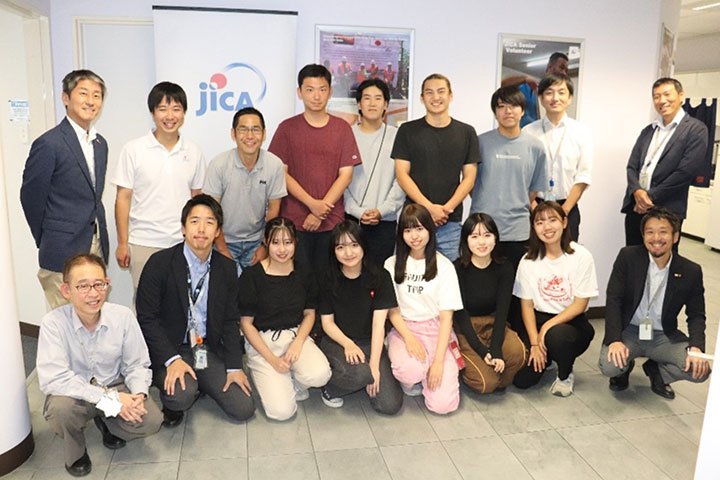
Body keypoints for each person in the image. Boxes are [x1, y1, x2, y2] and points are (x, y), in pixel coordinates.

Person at [37, 254, 162, 477]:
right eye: (83, 286)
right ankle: (76, 451)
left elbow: (138, 364)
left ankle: (106, 420)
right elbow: (55, 378)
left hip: (114, 385)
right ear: (67, 291)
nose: (93, 294)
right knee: (60, 411)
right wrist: (109, 400)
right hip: (75, 392)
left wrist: (139, 395)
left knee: (152, 420)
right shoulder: (53, 323)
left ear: (107, 284)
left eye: (98, 284)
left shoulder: (123, 316)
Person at [136, 194, 255, 426]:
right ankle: (183, 384)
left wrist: (234, 367)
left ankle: (202, 379)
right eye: (194, 221)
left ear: (218, 231)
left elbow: (231, 320)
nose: (201, 229)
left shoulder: (227, 269)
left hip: (206, 348)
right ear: (183, 228)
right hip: (172, 348)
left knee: (243, 408)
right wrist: (171, 359)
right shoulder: (159, 264)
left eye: (209, 222)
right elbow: (147, 319)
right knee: (180, 397)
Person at [21, 70, 110, 310]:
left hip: (95, 243)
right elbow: (31, 197)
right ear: (65, 98)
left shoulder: (100, 144)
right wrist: (48, 236)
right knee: (65, 323)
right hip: (61, 249)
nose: (91, 101)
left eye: (97, 95)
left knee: (92, 315)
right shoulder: (49, 143)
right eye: (83, 93)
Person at [599, 207, 710, 398]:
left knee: (700, 371)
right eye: (650, 232)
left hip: (662, 335)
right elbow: (614, 300)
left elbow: (696, 315)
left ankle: (657, 372)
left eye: (663, 231)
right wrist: (615, 340)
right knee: (610, 366)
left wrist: (696, 347)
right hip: (630, 331)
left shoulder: (691, 270)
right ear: (643, 236)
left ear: (675, 236)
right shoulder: (628, 257)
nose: (656, 238)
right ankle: (624, 368)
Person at [268, 64, 361, 274]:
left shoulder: (342, 128)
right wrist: (312, 205)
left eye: (322, 89)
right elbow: (281, 173)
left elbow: (346, 175)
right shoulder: (286, 128)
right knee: (297, 280)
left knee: (328, 282)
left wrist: (320, 212)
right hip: (294, 221)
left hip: (332, 222)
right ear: (300, 93)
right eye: (310, 89)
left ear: (330, 91)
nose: (316, 96)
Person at [113, 82, 205, 291]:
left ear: (184, 113)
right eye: (162, 109)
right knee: (147, 305)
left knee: (181, 303)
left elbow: (196, 197)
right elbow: (123, 198)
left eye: (176, 109)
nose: (169, 116)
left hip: (183, 242)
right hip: (144, 242)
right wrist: (122, 243)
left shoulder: (194, 150)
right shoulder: (133, 149)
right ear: (153, 112)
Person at [239, 217, 332, 420]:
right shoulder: (251, 275)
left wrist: (298, 343)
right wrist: (272, 360)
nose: (282, 249)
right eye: (276, 242)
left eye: (287, 242)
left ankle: (289, 379)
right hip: (262, 342)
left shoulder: (304, 272)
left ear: (295, 242)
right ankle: (267, 374)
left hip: (294, 335)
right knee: (281, 413)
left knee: (320, 374)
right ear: (265, 242)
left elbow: (309, 313)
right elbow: (246, 324)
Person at [384, 204, 463, 414]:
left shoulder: (444, 267)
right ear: (401, 234)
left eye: (419, 228)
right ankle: (414, 375)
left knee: (443, 406)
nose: (414, 236)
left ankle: (433, 370)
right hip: (404, 330)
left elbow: (447, 318)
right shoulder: (391, 265)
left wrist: (437, 362)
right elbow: (392, 310)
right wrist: (409, 338)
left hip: (437, 331)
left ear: (430, 229)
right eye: (408, 230)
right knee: (409, 372)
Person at [512, 201, 597, 397]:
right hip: (537, 320)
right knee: (522, 381)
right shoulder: (528, 261)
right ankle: (547, 357)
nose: (547, 227)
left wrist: (546, 328)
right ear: (534, 227)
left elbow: (579, 305)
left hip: (571, 323)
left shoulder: (581, 256)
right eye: (540, 222)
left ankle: (565, 375)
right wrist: (535, 343)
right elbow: (526, 305)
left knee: (556, 337)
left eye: (553, 220)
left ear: (565, 222)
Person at [392, 73, 480, 261]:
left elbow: (469, 178)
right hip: (413, 221)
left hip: (450, 221)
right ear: (422, 98)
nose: (435, 97)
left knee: (448, 279)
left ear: (450, 95)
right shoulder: (407, 131)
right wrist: (429, 208)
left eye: (441, 91)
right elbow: (401, 175)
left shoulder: (466, 132)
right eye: (429, 92)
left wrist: (446, 209)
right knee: (407, 277)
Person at [318, 221, 403, 413]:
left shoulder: (380, 276)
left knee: (390, 405)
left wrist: (374, 364)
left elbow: (378, 325)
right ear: (334, 251)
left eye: (354, 245)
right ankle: (330, 389)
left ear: (364, 245)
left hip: (370, 342)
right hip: (338, 341)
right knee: (361, 375)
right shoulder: (327, 278)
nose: (348, 253)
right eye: (341, 247)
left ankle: (362, 376)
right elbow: (327, 323)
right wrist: (348, 344)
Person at [622, 77, 708, 249]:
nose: (662, 100)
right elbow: (632, 166)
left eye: (667, 94)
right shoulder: (648, 131)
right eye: (656, 96)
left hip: (667, 211)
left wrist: (650, 196)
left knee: (663, 266)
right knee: (633, 260)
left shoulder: (696, 130)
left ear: (681, 95)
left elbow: (684, 173)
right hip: (637, 209)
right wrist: (637, 191)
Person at [472, 85, 548, 270]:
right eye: (501, 106)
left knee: (516, 290)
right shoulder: (479, 143)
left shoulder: (535, 147)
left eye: (513, 106)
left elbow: (533, 190)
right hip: (483, 229)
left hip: (518, 231)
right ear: (495, 112)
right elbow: (470, 184)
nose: (508, 111)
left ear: (522, 111)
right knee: (484, 288)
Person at [203, 107, 286, 272]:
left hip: (257, 241)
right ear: (233, 134)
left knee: (256, 293)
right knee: (226, 293)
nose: (249, 136)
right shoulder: (219, 164)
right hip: (223, 240)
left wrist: (264, 245)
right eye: (243, 129)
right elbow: (211, 213)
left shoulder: (274, 164)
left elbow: (274, 209)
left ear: (263, 134)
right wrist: (223, 249)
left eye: (255, 130)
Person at [453, 213, 526, 394]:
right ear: (466, 241)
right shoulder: (457, 269)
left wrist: (495, 351)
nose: (482, 242)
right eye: (474, 236)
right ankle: (477, 370)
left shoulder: (505, 268)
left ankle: (495, 374)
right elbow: (460, 315)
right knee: (486, 384)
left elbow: (502, 312)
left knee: (519, 354)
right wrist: (481, 350)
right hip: (466, 328)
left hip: (493, 325)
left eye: (487, 235)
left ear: (495, 239)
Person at [523, 73, 593, 241]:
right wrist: (535, 209)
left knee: (567, 259)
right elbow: (523, 177)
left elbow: (583, 176)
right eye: (549, 92)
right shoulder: (528, 132)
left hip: (567, 207)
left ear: (570, 98)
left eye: (561, 92)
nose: (555, 98)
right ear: (540, 97)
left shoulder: (582, 132)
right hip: (535, 207)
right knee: (534, 258)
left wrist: (564, 211)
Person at [345, 79, 405, 265]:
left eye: (378, 98)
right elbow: (339, 180)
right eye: (367, 98)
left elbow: (401, 179)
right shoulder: (346, 136)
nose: (372, 103)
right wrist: (357, 211)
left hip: (385, 221)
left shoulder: (398, 136)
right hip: (351, 220)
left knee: (380, 277)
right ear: (358, 104)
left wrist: (382, 210)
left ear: (386, 104)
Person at [501, 52, 570, 127]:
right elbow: (502, 85)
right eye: (561, 67)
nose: (564, 73)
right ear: (549, 67)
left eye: (566, 70)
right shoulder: (529, 87)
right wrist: (524, 79)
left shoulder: (560, 97)